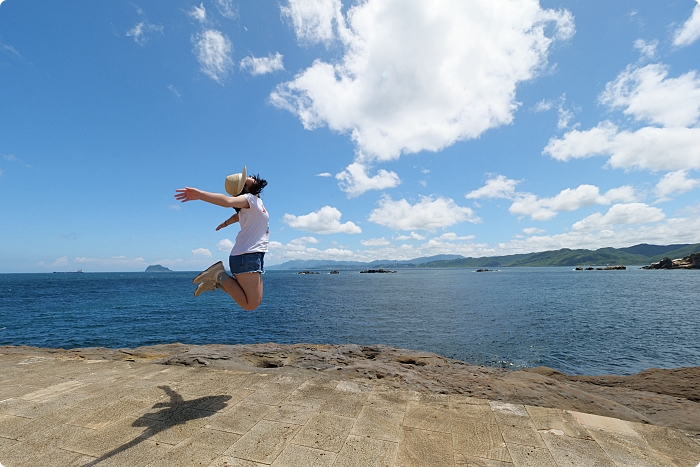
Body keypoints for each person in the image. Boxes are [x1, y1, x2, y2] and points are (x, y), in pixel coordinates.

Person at [174, 166, 269, 311]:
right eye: (245, 179)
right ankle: (217, 275)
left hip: (251, 255)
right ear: (245, 188)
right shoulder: (248, 198)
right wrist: (200, 195)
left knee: (255, 301)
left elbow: (238, 216)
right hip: (247, 255)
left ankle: (216, 280)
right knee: (251, 304)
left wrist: (225, 223)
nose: (250, 177)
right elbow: (227, 201)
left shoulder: (255, 202)